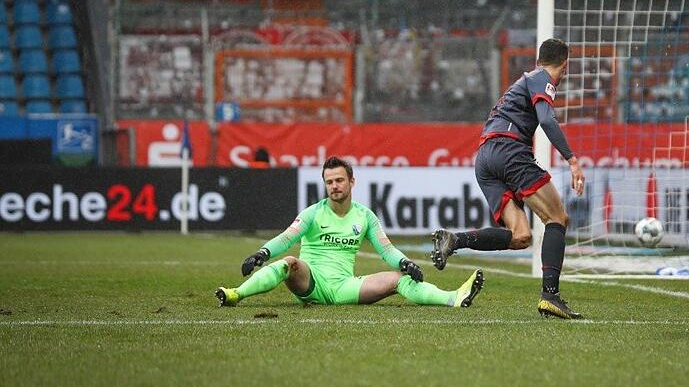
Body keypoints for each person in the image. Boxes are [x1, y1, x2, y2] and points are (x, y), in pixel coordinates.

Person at [430, 38, 586, 319]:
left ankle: (455, 240)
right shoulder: (542, 78)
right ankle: (550, 296)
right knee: (557, 218)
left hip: (485, 156)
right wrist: (572, 160)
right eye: (565, 69)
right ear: (564, 65)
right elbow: (547, 120)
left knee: (521, 236)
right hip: (509, 149)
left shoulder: (523, 81)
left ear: (539, 58)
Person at [216, 156, 483, 309]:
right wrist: (262, 253)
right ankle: (236, 294)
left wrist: (405, 262)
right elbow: (287, 237)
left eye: (339, 180)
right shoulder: (312, 213)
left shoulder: (364, 216)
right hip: (311, 282)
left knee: (399, 278)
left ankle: (454, 298)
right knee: (290, 263)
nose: (334, 186)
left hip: (345, 287)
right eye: (329, 182)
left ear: (351, 181)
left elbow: (386, 250)